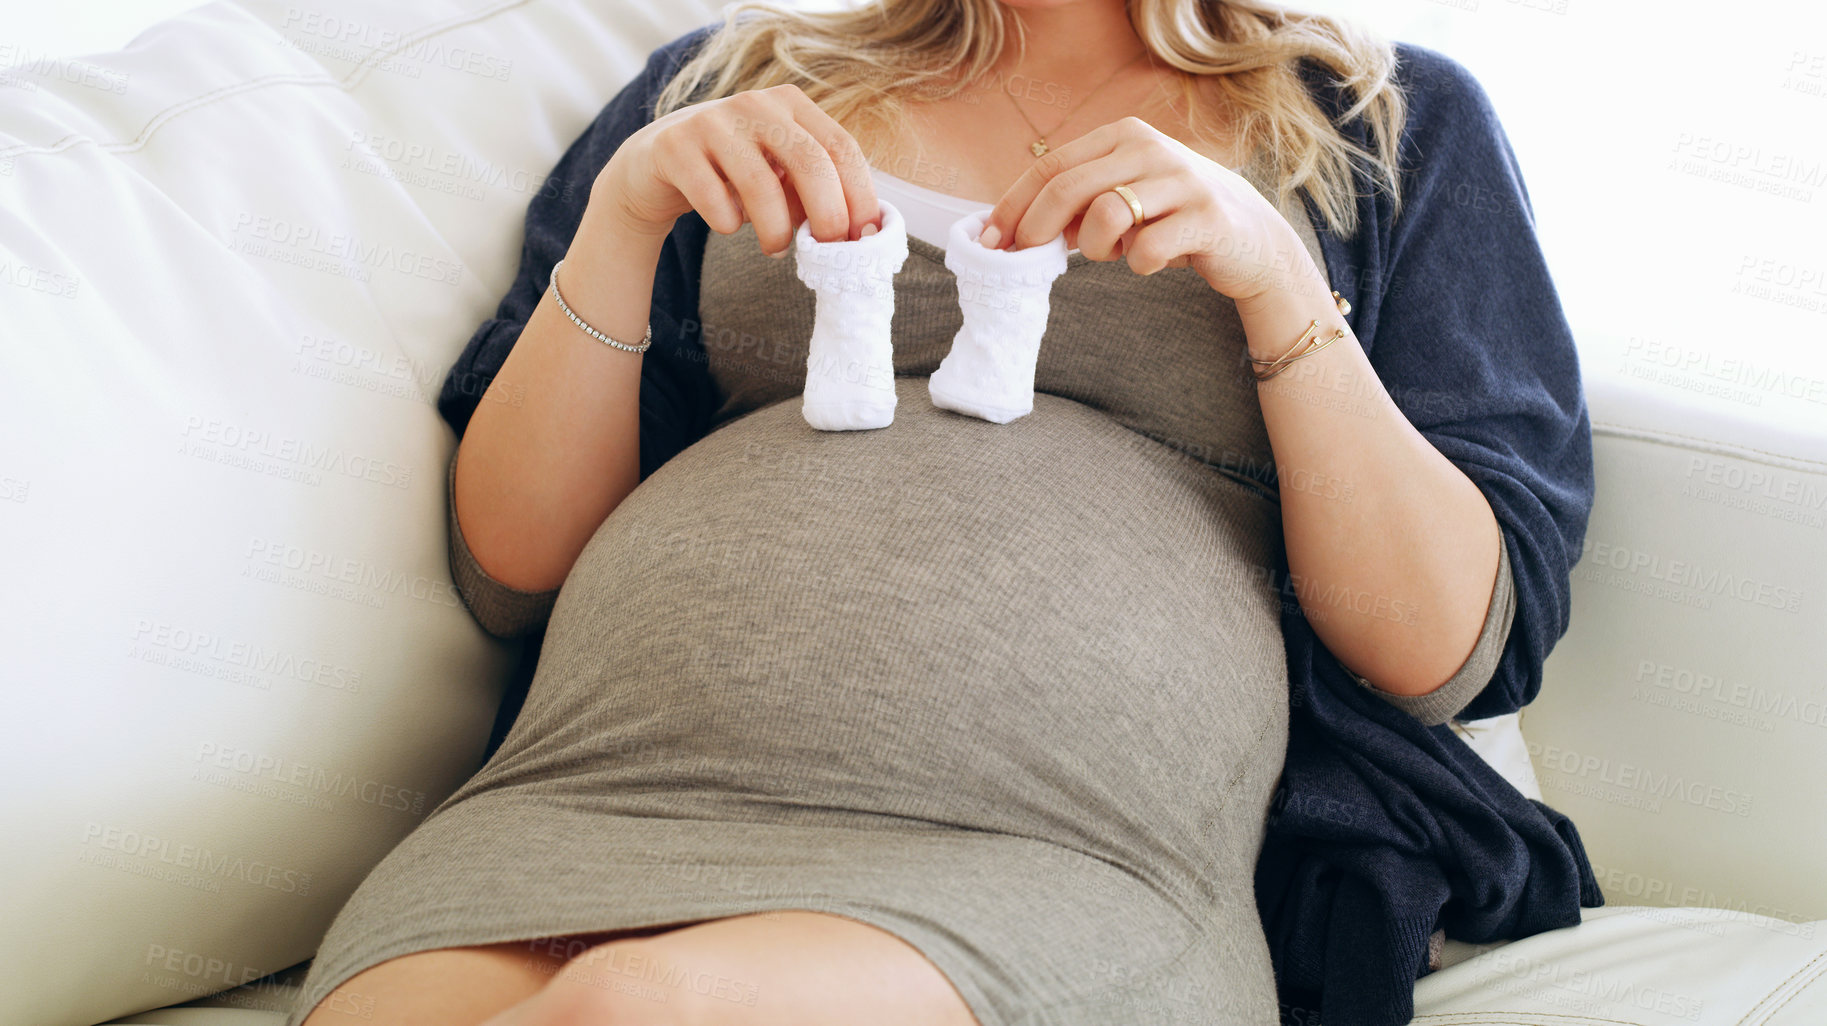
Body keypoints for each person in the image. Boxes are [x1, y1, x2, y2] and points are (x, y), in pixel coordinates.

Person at [289, 1, 1595, 1023]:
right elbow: (512, 563)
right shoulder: (730, 79)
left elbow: (1442, 648)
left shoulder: (1386, 121)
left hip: (1041, 844)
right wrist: (627, 220)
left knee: (638, 1007)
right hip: (588, 796)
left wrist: (1276, 285)